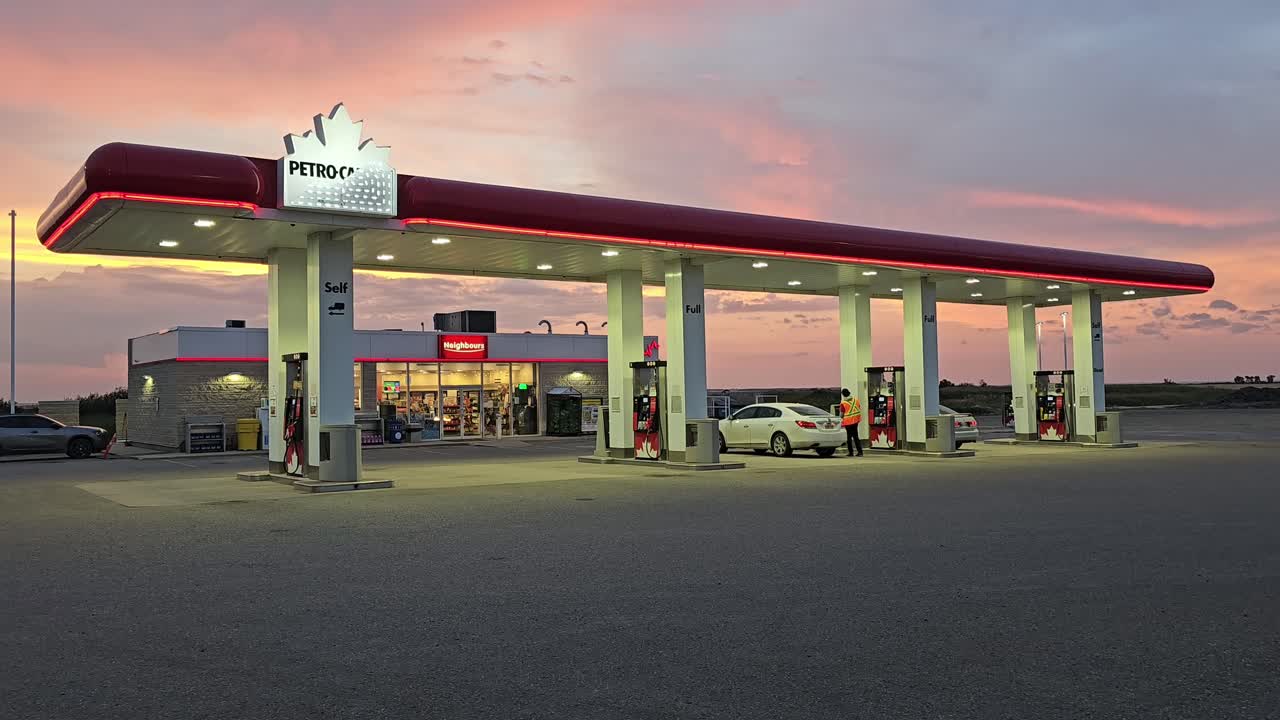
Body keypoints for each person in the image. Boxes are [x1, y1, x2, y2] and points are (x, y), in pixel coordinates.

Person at [839, 388, 863, 457]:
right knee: (856, 436)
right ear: (849, 393)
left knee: (849, 438)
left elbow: (841, 415)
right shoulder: (856, 400)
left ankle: (851, 452)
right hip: (856, 420)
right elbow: (858, 408)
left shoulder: (843, 403)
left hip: (848, 422)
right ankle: (860, 452)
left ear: (843, 395)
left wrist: (840, 418)